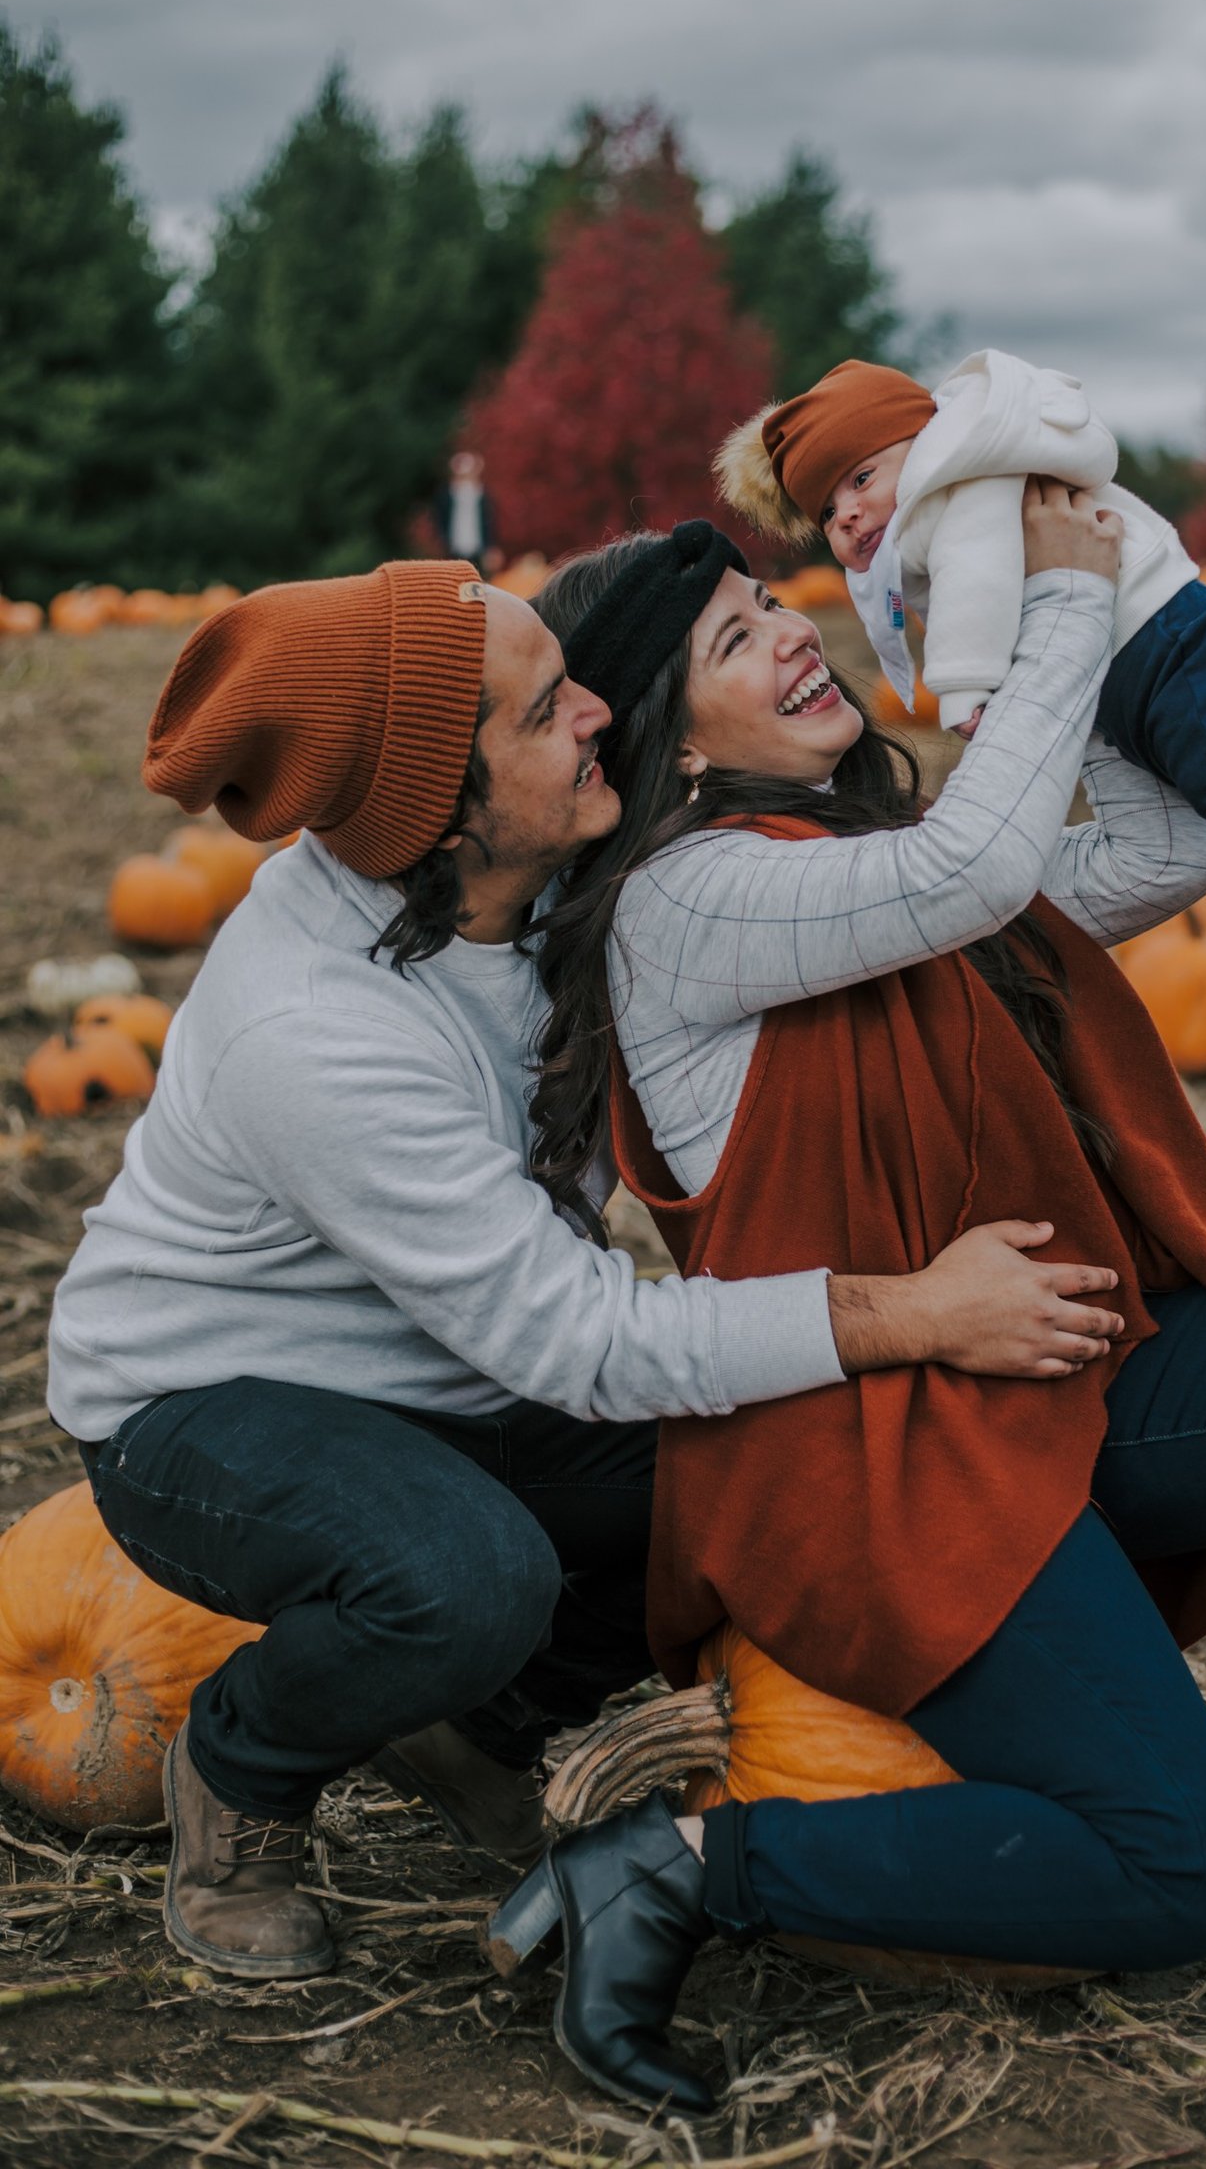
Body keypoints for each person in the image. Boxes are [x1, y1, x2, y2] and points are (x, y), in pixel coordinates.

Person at [488, 494, 1206, 2117]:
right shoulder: (694, 904)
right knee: (1177, 1872)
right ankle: (682, 1868)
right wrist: (1050, 600)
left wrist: (1138, 600)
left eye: (774, 602)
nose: (791, 630)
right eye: (732, 636)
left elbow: (1174, 843)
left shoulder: (869, 871)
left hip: (1044, 1377)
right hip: (880, 1460)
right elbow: (974, 869)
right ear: (669, 746)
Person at [47, 555, 1120, 1986]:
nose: (603, 710)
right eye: (547, 709)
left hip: (452, 1363)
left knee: (746, 1472)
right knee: (464, 1573)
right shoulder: (310, 1034)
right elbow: (584, 1344)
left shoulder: (569, 876)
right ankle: (242, 1770)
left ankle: (474, 1726)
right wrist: (908, 1312)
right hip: (210, 1408)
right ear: (442, 808)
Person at [715, 351, 1206, 1023]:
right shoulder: (935, 506)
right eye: (828, 512)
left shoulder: (959, 492)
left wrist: (967, 689)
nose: (850, 514)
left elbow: (980, 585)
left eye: (860, 479)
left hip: (1181, 653)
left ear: (922, 449)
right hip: (1135, 678)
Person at [432, 448, 502, 577]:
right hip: (453, 548)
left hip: (477, 549)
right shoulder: (447, 495)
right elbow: (439, 520)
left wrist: (490, 547)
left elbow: (490, 523)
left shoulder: (482, 495)